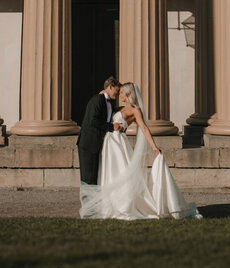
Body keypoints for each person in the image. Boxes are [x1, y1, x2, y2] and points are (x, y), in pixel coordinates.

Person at [80, 81, 201, 220]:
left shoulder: (135, 110)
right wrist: (103, 93)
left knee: (120, 172)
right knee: (108, 173)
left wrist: (154, 146)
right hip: (108, 144)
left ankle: (124, 205)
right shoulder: (118, 108)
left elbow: (143, 128)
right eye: (118, 92)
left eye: (122, 93)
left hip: (118, 144)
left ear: (128, 94)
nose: (119, 94)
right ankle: (108, 206)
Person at [77, 77, 122, 187]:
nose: (118, 94)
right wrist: (112, 127)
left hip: (97, 144)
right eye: (117, 91)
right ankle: (87, 204)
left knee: (94, 177)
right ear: (110, 87)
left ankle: (92, 203)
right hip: (88, 144)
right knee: (88, 178)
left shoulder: (108, 102)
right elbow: (94, 120)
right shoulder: (98, 100)